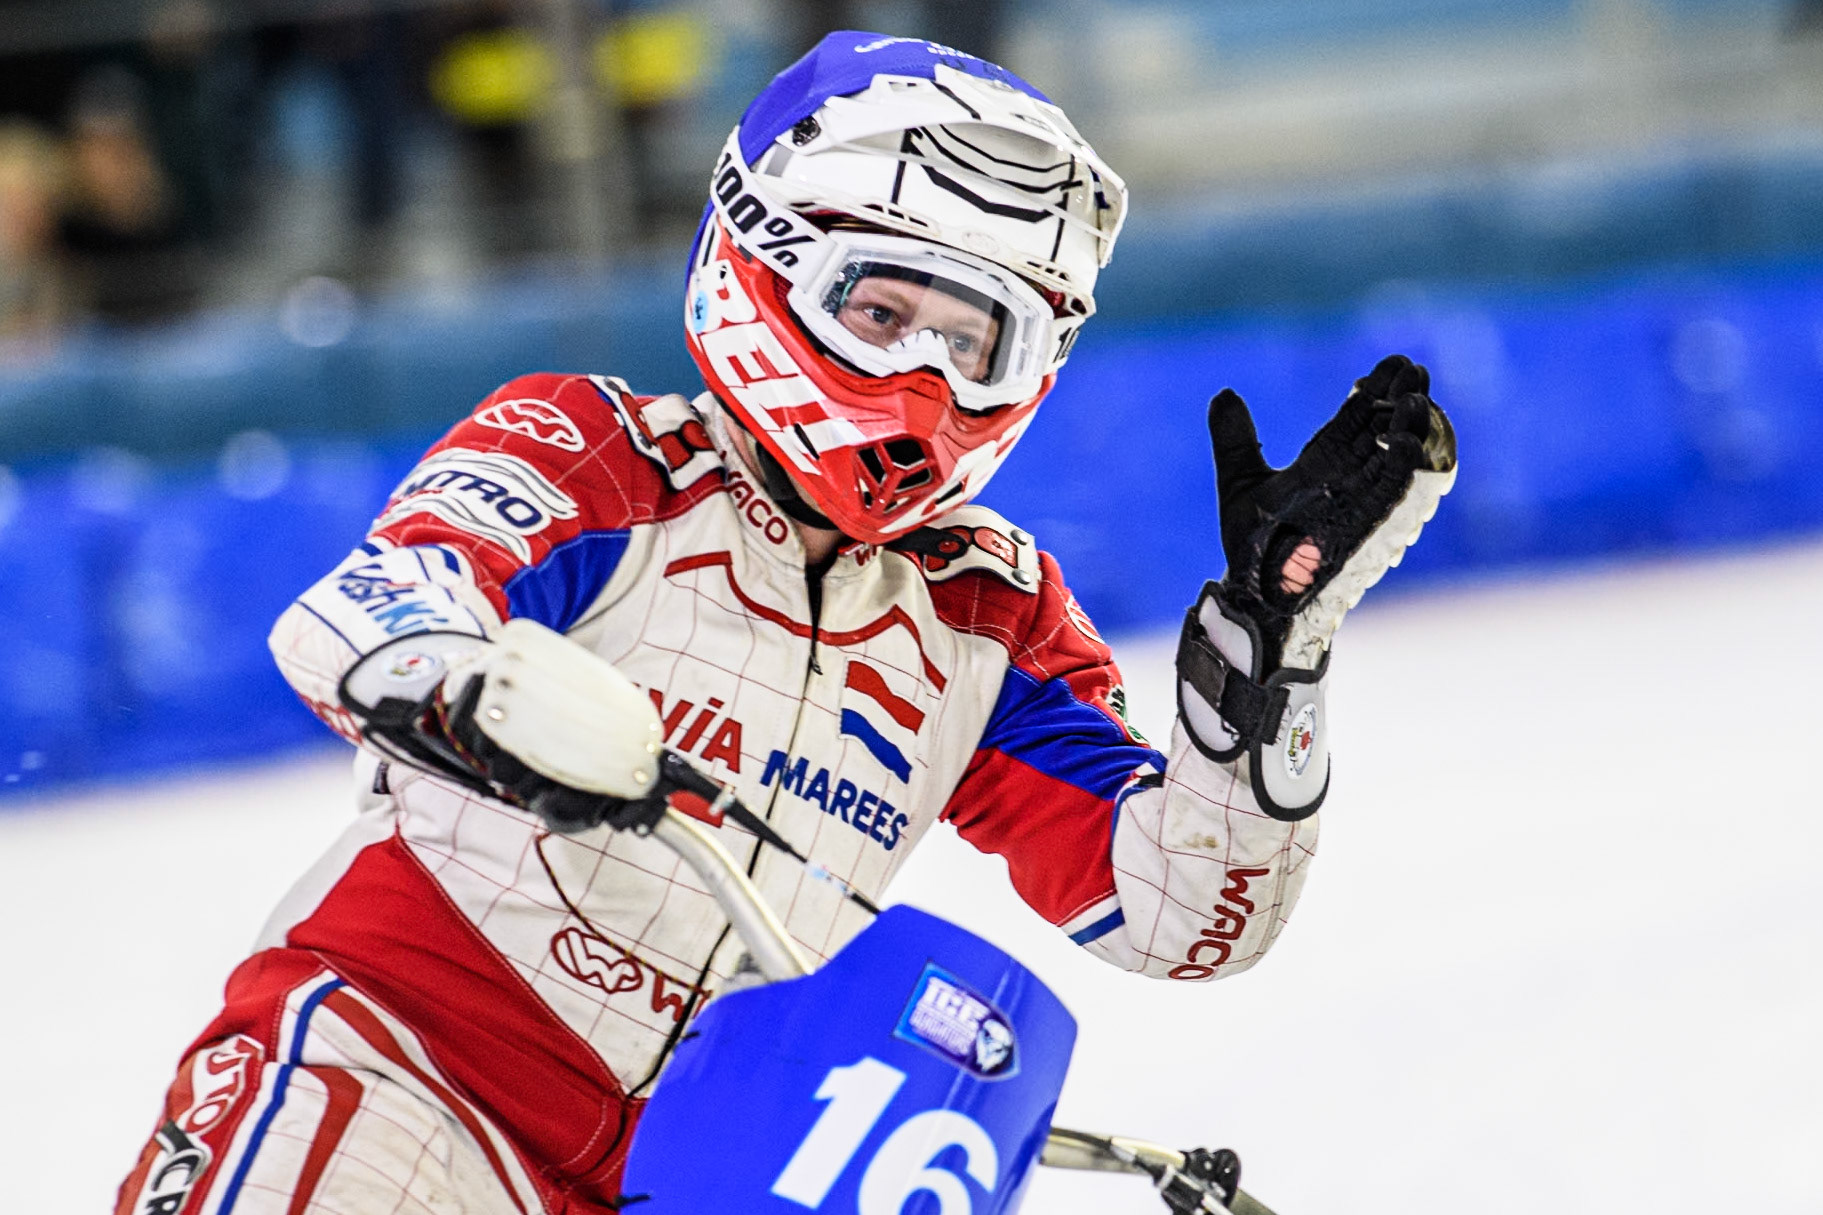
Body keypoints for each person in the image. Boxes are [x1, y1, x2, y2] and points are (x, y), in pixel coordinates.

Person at [116, 31, 1455, 1215]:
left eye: (972, 342)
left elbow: (1176, 914)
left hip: (723, 1163)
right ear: (761, 264)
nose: (924, 377)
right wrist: (476, 698)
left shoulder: (989, 614)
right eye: (879, 311)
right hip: (404, 1072)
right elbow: (357, 612)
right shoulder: (605, 458)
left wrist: (1272, 659)